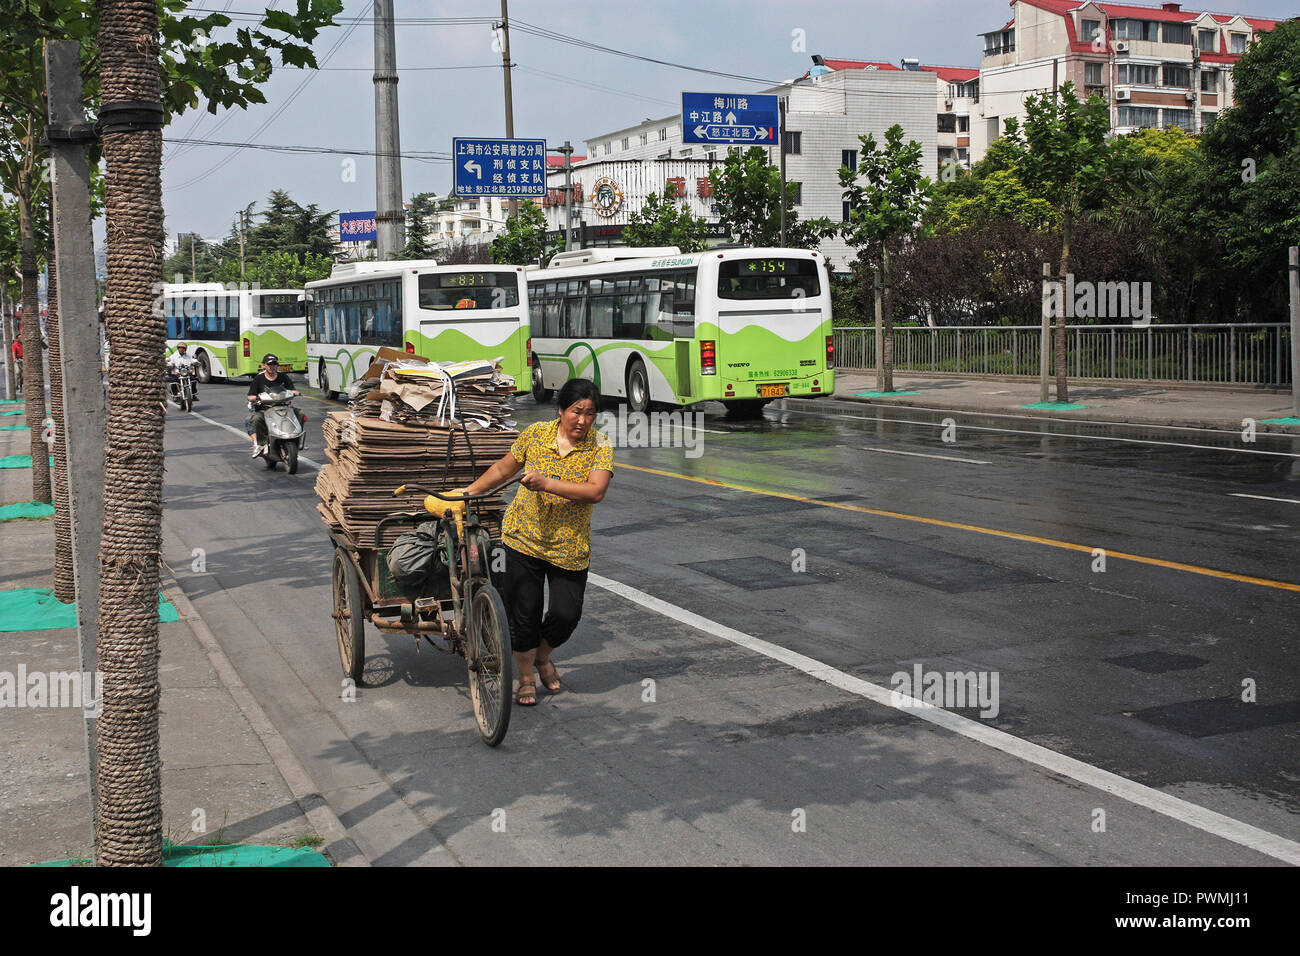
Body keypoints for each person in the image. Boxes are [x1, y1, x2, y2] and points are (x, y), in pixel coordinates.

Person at [453, 379, 612, 707]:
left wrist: (547, 483)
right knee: (523, 615)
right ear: (561, 410)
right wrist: (469, 493)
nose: (582, 420)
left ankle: (543, 657)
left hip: (569, 547)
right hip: (522, 540)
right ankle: (526, 676)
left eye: (590, 414)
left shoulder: (600, 446)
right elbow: (502, 469)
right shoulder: (535, 435)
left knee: (566, 615)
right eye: (576, 411)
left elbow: (595, 491)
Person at [246, 353, 301, 457]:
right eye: (269, 364)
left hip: (283, 407)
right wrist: (256, 398)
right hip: (265, 409)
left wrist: (295, 392)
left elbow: (292, 389)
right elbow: (251, 396)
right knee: (257, 418)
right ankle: (262, 444)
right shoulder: (258, 379)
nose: (272, 366)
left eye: (274, 364)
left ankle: (297, 439)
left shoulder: (283, 377)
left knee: (300, 414)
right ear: (264, 365)